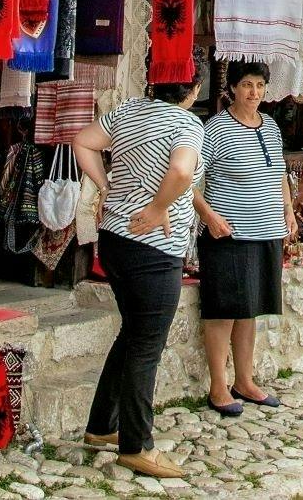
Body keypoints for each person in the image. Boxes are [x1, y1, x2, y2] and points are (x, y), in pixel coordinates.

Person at [73, 77, 203, 480]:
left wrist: (106, 185)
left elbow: (83, 141)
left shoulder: (129, 109)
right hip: (154, 247)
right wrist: (158, 207)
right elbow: (182, 170)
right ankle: (137, 445)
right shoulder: (186, 124)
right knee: (147, 344)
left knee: (132, 334)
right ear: (194, 89)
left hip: (114, 238)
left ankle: (101, 425)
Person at [193, 62, 295, 416]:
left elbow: (279, 171)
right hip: (229, 234)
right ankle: (218, 387)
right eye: (247, 85)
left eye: (260, 85)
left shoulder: (271, 126)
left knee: (249, 309)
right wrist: (209, 216)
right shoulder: (215, 128)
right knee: (224, 311)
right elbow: (189, 179)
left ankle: (245, 381)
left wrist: (288, 210)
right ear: (232, 89)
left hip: (266, 232)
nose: (254, 92)